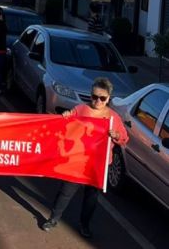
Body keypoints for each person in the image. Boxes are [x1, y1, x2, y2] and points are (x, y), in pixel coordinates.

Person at [42, 77, 129, 239]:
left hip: (98, 165)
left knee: (91, 198)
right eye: (94, 97)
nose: (98, 101)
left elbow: (124, 138)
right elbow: (68, 121)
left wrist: (116, 135)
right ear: (90, 95)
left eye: (102, 98)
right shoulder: (81, 109)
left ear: (109, 98)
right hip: (77, 161)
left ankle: (84, 225)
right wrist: (67, 115)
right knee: (65, 192)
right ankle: (53, 219)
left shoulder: (113, 118)